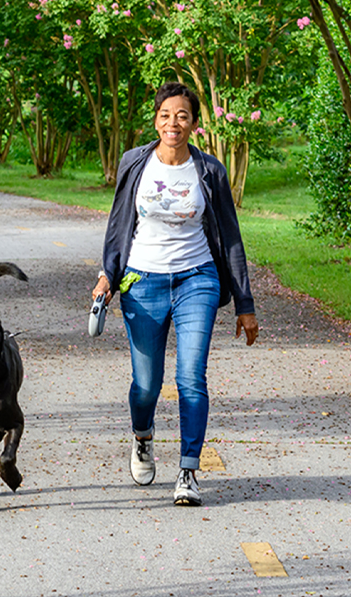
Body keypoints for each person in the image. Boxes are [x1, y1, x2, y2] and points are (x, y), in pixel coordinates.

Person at [92, 81, 259, 507]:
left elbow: (232, 239)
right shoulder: (135, 164)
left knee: (191, 378)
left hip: (197, 279)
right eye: (166, 115)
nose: (174, 123)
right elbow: (118, 225)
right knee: (147, 385)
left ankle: (188, 470)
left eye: (182, 116)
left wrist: (245, 305)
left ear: (195, 124)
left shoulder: (209, 171)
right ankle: (143, 437)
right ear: (155, 120)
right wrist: (107, 277)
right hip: (142, 281)